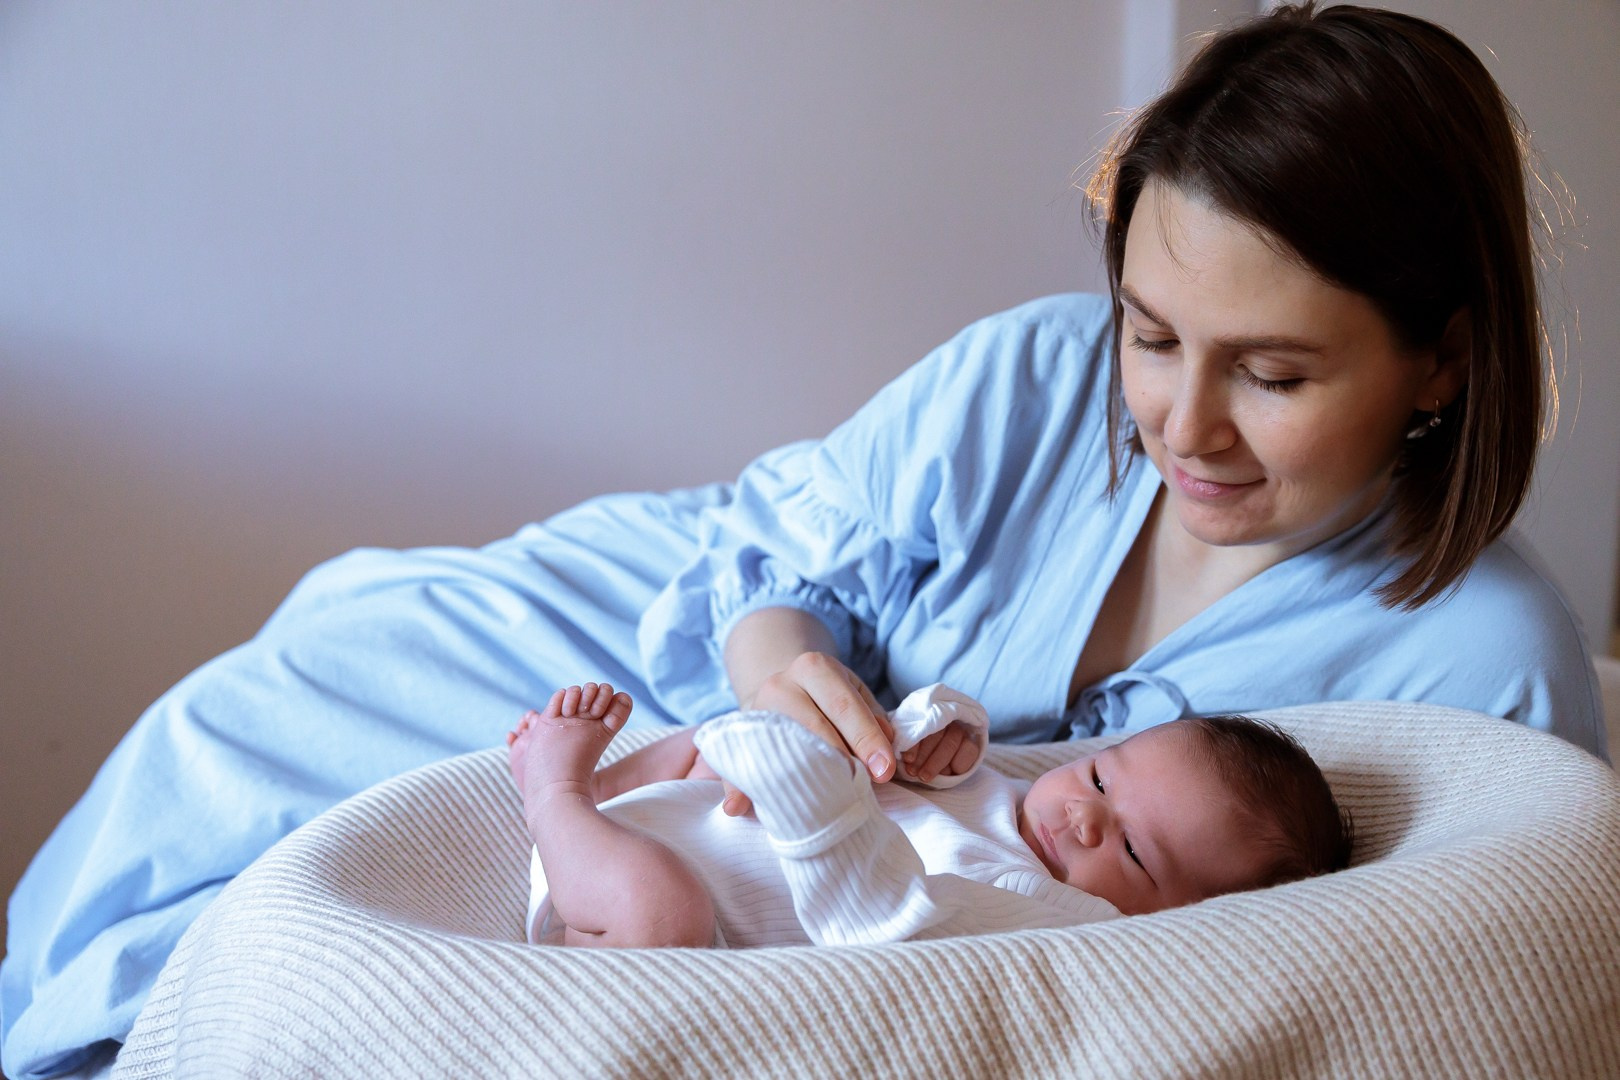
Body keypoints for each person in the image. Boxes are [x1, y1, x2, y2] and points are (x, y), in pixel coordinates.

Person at [1, 4, 1606, 1077]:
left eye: (1275, 377)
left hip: (841, 857)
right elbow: (776, 566)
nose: (1182, 426)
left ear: (1443, 360)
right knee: (241, 729)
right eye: (1152, 334)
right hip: (689, 625)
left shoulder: (1485, 672)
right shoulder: (1039, 373)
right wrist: (779, 667)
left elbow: (1410, 987)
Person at [508, 681, 1351, 948]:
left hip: (636, 920)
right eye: (1099, 778)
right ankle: (604, 786)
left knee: (664, 909)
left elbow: (885, 915)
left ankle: (554, 795)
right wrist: (940, 728)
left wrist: (813, 800)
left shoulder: (1048, 912)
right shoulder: (1013, 797)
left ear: (1178, 919)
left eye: (1134, 852)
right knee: (718, 736)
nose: (1084, 818)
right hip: (683, 814)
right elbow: (909, 747)